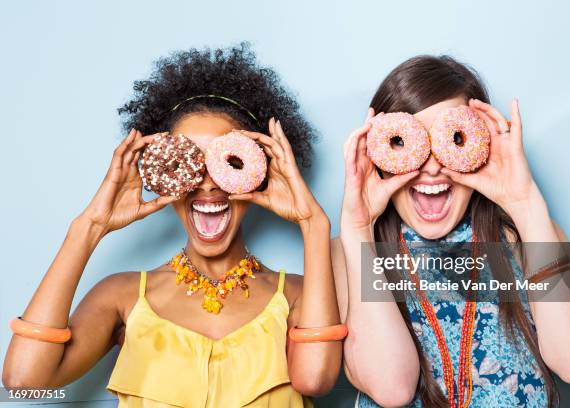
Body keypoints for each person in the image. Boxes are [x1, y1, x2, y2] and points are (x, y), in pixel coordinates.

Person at [3, 43, 344, 407]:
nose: (208, 183)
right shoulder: (121, 296)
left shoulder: (299, 295)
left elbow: (316, 379)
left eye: (224, 163)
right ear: (164, 177)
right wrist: (88, 226)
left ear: (256, 174)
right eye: (189, 163)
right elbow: (24, 380)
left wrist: (313, 225)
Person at [332, 55, 570, 407]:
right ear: (378, 154)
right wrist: (358, 228)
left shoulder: (529, 234)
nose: (431, 167)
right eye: (407, 143)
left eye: (453, 139)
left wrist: (526, 205)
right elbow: (391, 388)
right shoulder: (352, 249)